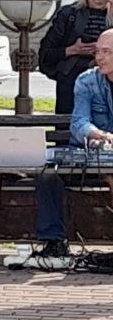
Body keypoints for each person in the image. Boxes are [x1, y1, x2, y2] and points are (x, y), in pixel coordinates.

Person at [33, 28, 113, 259]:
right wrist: (98, 135)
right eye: (97, 52)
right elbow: (79, 123)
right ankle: (54, 242)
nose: (99, 57)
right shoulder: (86, 80)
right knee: (47, 172)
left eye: (106, 52)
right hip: (87, 154)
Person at [39, 0, 113, 114]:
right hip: (71, 82)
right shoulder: (68, 15)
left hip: (107, 82)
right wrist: (72, 50)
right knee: (71, 122)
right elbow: (45, 55)